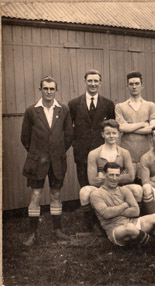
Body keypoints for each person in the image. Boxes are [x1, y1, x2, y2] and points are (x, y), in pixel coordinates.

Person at [21, 76, 73, 246]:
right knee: (35, 195)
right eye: (46, 88)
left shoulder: (63, 109)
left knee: (56, 194)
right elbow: (25, 138)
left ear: (56, 90)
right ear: (40, 90)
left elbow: (68, 136)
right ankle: (33, 233)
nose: (49, 92)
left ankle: (57, 230)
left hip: (57, 160)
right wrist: (39, 153)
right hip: (37, 161)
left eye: (52, 89)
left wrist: (55, 153)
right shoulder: (31, 110)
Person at [90, 162, 155, 258]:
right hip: (115, 230)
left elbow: (136, 211)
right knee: (129, 227)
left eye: (117, 175)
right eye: (111, 175)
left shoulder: (124, 190)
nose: (114, 178)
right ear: (104, 175)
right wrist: (124, 205)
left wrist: (115, 211)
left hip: (133, 222)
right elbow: (106, 214)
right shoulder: (96, 194)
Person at [79, 119, 140, 233]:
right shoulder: (94, 154)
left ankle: (132, 219)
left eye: (114, 133)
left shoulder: (124, 153)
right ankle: (93, 225)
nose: (111, 136)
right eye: (108, 133)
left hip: (120, 188)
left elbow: (131, 176)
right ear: (103, 134)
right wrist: (116, 178)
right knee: (84, 191)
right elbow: (92, 180)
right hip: (102, 189)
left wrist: (106, 177)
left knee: (137, 189)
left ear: (118, 134)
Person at [68, 69, 115, 188]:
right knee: (84, 183)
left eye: (96, 81)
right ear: (85, 82)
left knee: (103, 182)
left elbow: (112, 128)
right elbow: (69, 128)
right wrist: (75, 144)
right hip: (82, 151)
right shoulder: (73, 104)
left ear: (100, 83)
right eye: (90, 81)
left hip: (103, 150)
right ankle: (86, 206)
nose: (93, 84)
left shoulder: (108, 104)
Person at [115, 71, 155, 179]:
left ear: (142, 85)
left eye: (137, 83)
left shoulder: (150, 105)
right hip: (127, 154)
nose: (134, 87)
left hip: (146, 153)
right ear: (127, 86)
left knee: (146, 186)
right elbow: (121, 127)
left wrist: (130, 127)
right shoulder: (120, 106)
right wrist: (143, 124)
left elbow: (152, 128)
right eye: (131, 84)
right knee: (128, 185)